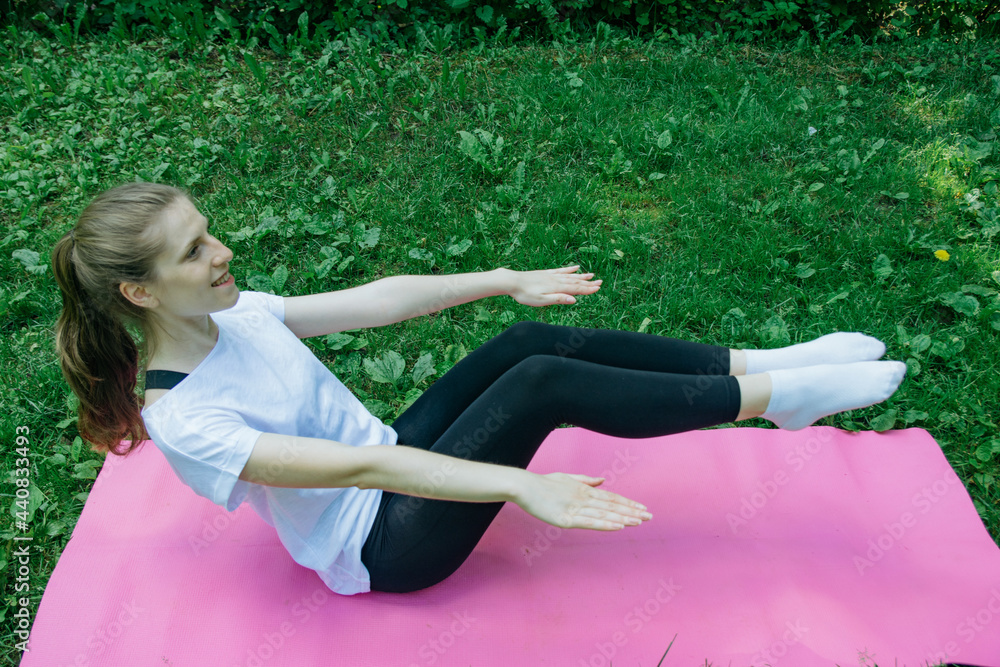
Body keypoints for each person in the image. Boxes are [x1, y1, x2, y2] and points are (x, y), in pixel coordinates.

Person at [52, 182, 906, 595]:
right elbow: (358, 477)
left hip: (391, 456)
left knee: (528, 338)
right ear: (140, 291)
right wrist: (519, 483)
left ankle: (763, 364)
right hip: (386, 544)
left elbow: (374, 302)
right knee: (539, 383)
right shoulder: (185, 418)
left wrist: (505, 277)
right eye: (195, 250)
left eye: (208, 230)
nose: (222, 250)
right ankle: (773, 406)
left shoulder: (233, 316)